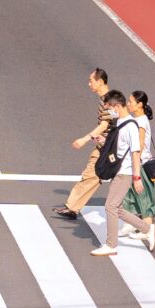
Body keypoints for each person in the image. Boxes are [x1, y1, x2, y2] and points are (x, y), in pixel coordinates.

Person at [92, 90, 155, 256]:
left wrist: (137, 177)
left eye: (109, 108)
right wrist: (104, 141)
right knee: (118, 208)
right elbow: (120, 147)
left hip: (125, 173)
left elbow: (136, 152)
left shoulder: (130, 125)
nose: (108, 111)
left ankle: (111, 245)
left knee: (110, 206)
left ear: (116, 106)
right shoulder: (121, 122)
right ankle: (147, 228)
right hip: (119, 171)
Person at [57, 72, 117, 221]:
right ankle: (72, 207)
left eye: (91, 81)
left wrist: (85, 139)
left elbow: (105, 124)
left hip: (111, 148)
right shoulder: (107, 98)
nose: (89, 84)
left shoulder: (108, 100)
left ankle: (143, 216)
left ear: (101, 81)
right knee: (91, 174)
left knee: (122, 181)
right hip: (104, 146)